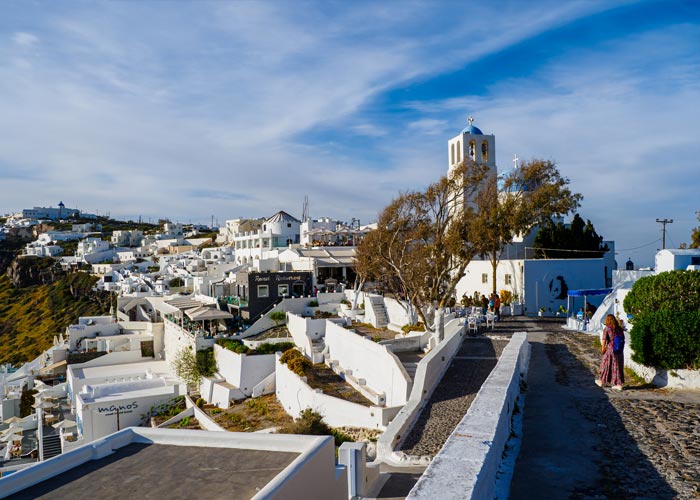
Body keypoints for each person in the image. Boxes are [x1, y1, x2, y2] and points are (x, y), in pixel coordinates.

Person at [595, 314, 625, 390]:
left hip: (610, 349)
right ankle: (618, 383)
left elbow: (604, 340)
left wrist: (603, 349)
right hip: (619, 350)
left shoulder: (607, 328)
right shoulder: (619, 329)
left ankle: (601, 381)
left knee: (605, 364)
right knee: (617, 366)